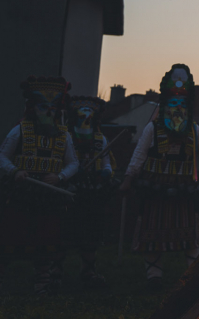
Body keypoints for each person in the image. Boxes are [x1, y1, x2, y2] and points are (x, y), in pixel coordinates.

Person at [120, 64, 199, 285]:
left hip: (184, 190)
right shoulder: (152, 129)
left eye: (181, 104)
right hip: (156, 189)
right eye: (173, 103)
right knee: (152, 232)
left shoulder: (194, 129)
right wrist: (128, 178)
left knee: (191, 234)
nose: (177, 109)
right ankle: (154, 275)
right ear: (164, 105)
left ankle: (193, 276)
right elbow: (139, 155)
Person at [0, 76, 79, 294]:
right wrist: (15, 171)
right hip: (21, 193)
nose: (48, 112)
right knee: (10, 234)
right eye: (43, 107)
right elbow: (2, 157)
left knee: (47, 237)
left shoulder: (65, 136)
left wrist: (60, 177)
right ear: (33, 108)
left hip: (49, 197)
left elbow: (73, 163)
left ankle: (42, 280)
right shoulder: (20, 131)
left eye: (53, 108)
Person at [66, 95, 114, 285]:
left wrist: (105, 173)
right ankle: (53, 270)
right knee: (65, 230)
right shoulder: (66, 136)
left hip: (93, 192)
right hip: (69, 190)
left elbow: (107, 163)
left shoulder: (100, 139)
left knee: (92, 232)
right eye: (82, 110)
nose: (86, 114)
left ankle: (88, 270)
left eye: (90, 111)